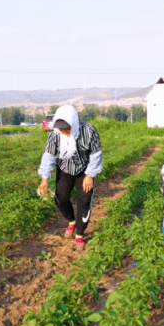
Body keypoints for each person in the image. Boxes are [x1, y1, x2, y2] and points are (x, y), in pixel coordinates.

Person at [36, 105, 103, 248]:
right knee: (61, 198)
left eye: (67, 128)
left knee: (84, 201)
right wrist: (44, 179)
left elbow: (96, 154)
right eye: (61, 128)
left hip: (85, 171)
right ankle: (72, 221)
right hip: (65, 169)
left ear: (74, 123)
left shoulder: (88, 131)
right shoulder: (54, 134)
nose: (65, 131)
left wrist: (90, 175)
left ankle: (79, 234)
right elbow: (48, 155)